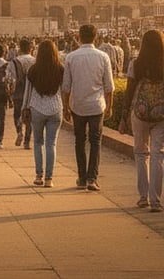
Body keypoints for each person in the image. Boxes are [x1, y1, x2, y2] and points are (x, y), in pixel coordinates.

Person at [62, 23, 114, 192]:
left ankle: (82, 178)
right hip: (97, 106)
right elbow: (109, 87)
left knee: (79, 142)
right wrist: (110, 106)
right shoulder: (103, 56)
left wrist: (65, 107)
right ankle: (92, 178)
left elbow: (66, 87)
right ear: (96, 37)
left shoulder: (71, 57)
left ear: (78, 37)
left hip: (78, 106)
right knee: (95, 142)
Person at [118, 29, 164, 212]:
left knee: (140, 153)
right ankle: (156, 200)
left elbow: (129, 92)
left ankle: (143, 197)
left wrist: (123, 117)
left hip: (140, 113)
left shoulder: (136, 64)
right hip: (161, 114)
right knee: (157, 154)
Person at [22, 39, 64, 187]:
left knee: (38, 143)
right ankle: (49, 179)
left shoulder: (33, 70)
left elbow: (27, 93)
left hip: (37, 108)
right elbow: (64, 91)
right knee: (51, 144)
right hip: (55, 108)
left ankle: (39, 176)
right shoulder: (60, 69)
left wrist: (24, 108)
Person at [6, 37, 35, 148]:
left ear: (20, 48)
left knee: (17, 114)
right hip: (32, 93)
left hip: (18, 92)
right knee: (29, 117)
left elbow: (9, 78)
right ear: (30, 48)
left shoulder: (14, 62)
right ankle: (27, 141)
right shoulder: (34, 61)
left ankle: (19, 132)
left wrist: (9, 93)